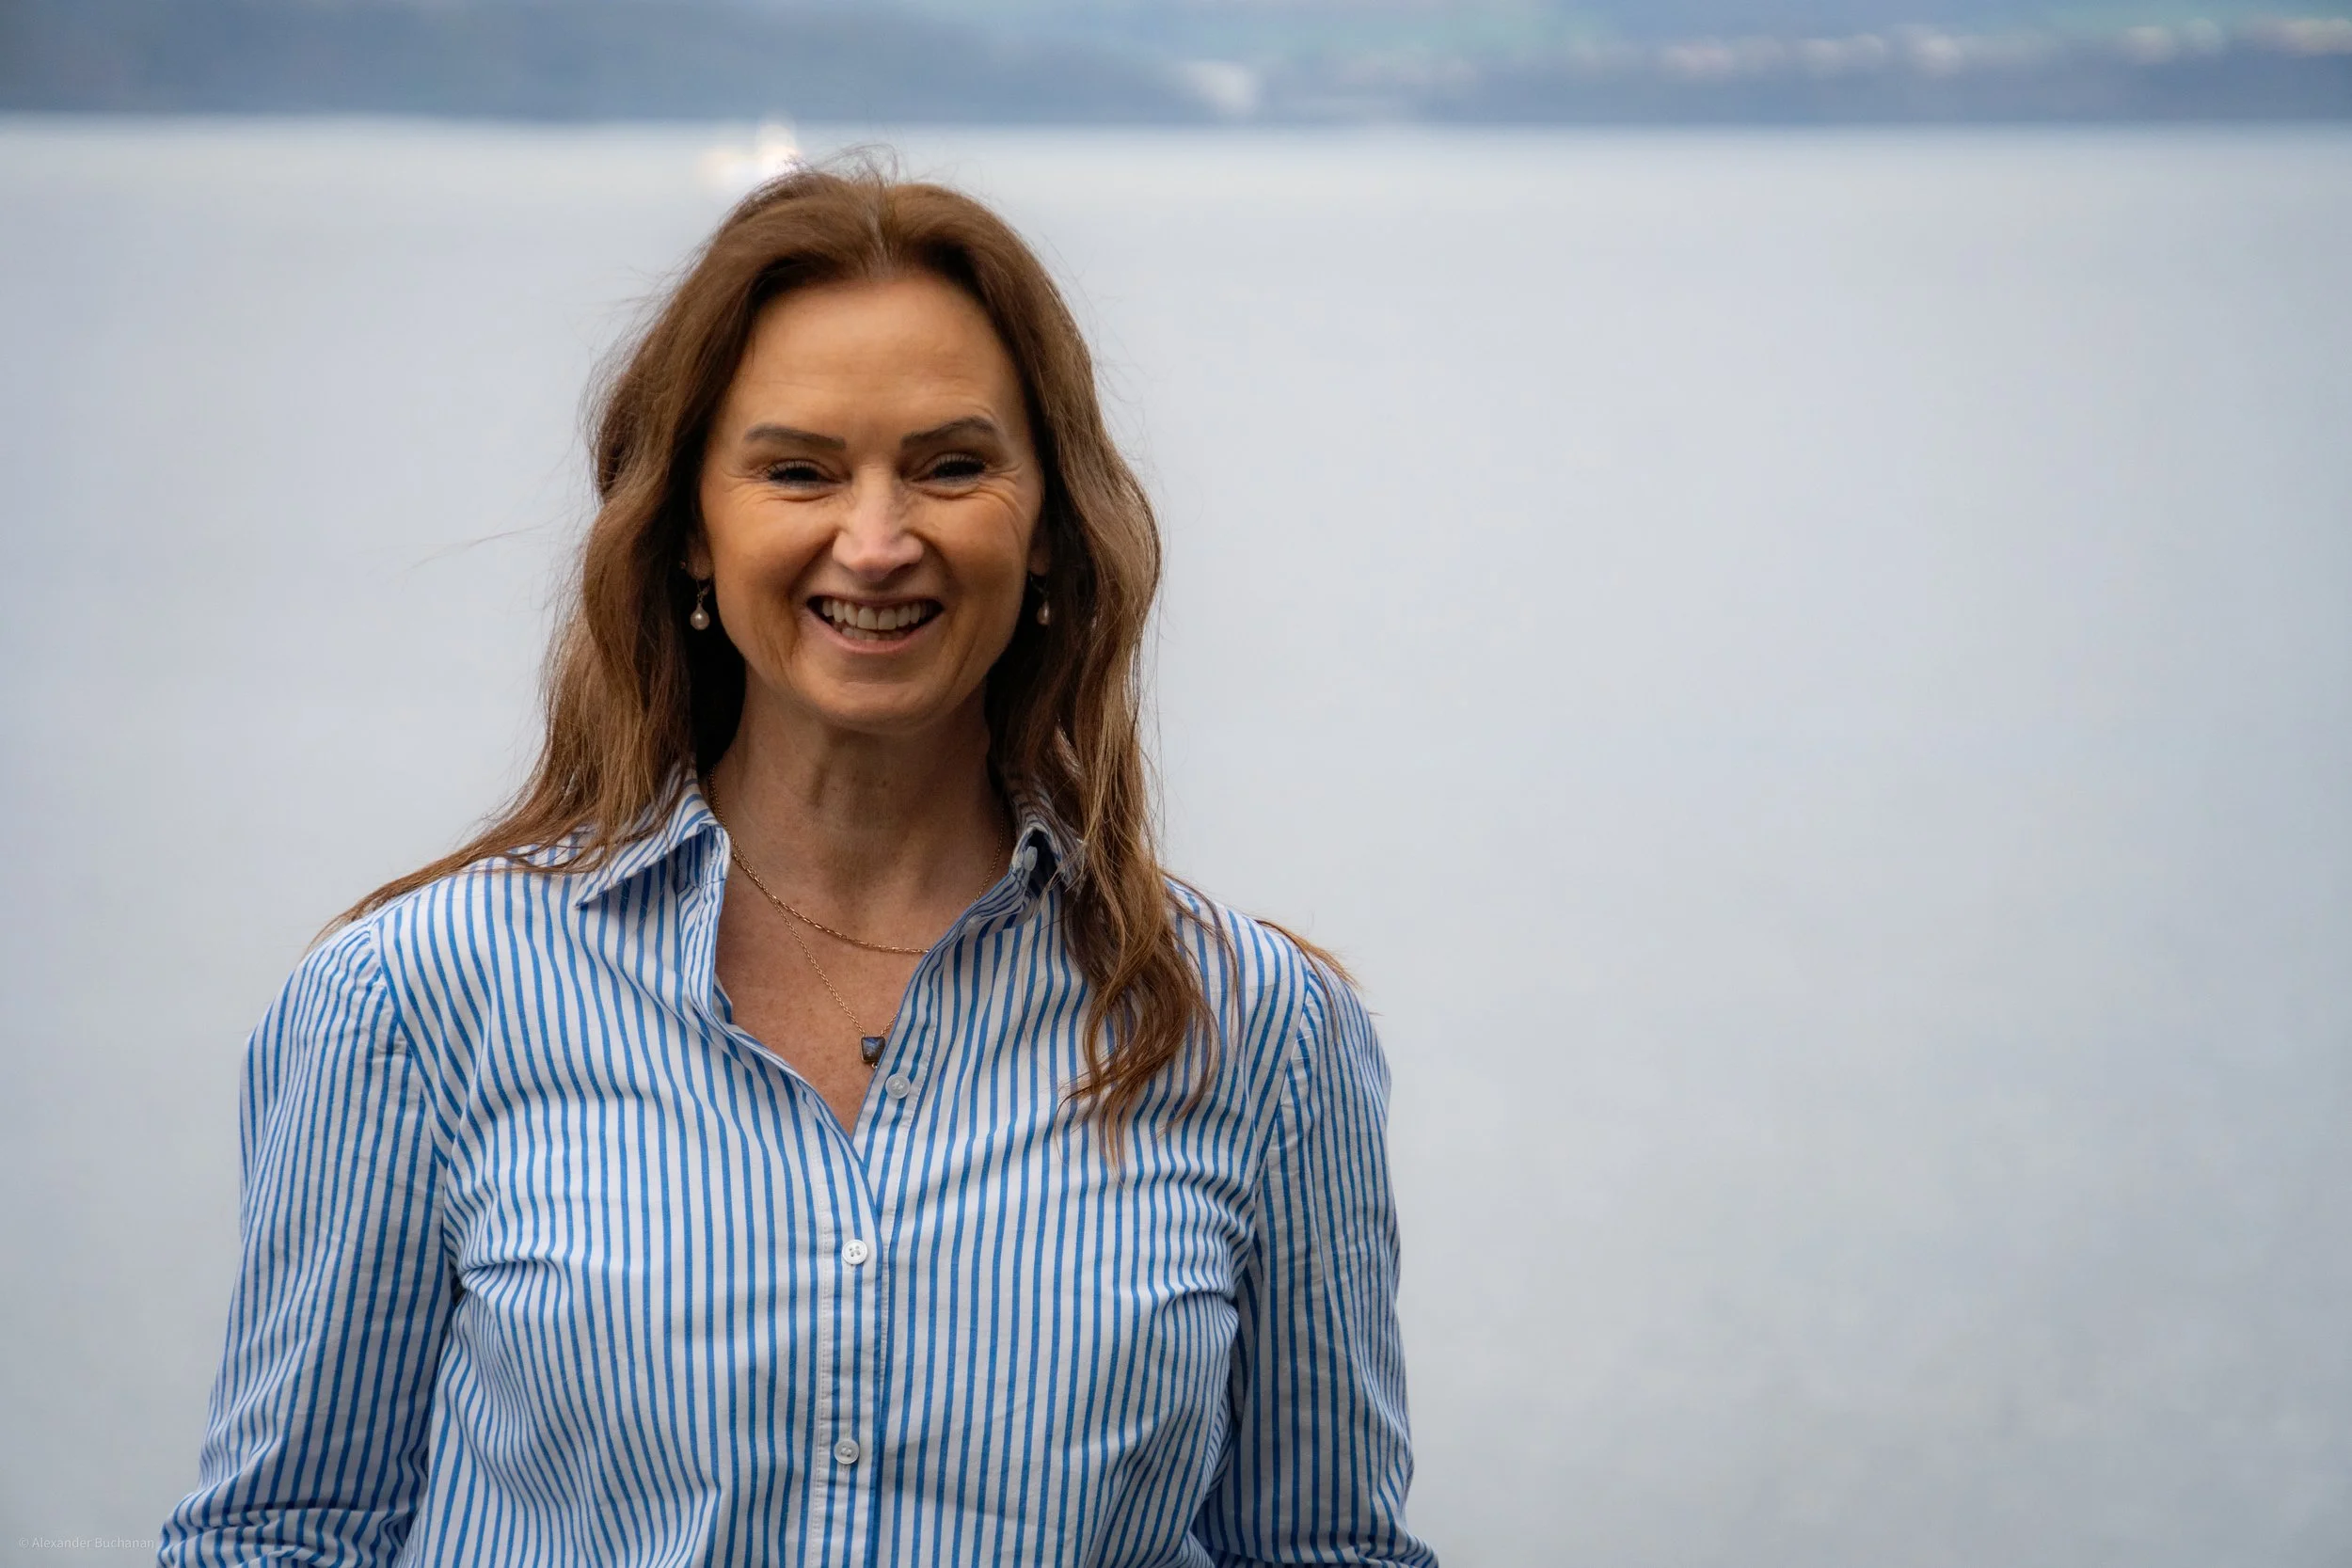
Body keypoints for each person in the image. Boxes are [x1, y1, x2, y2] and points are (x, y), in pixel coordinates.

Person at [159, 162, 1436, 1567]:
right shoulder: (411, 1005)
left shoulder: (1261, 1037)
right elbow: (278, 1539)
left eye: (952, 466)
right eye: (798, 470)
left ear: (1050, 527)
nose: (876, 543)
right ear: (689, 530)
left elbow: (1326, 1553)